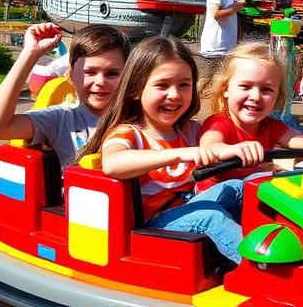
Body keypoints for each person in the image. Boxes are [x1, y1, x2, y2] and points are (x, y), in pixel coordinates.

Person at [76, 37, 259, 267]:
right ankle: (264, 272)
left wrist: (240, 151)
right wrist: (180, 154)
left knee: (246, 185)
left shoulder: (189, 129)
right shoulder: (128, 133)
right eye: (162, 85)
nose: (174, 94)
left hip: (188, 206)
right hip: (152, 224)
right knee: (211, 217)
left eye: (184, 85)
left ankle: (295, 247)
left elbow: (216, 143)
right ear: (136, 89)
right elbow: (113, 164)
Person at [0, 23, 132, 166]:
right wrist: (29, 54)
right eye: (90, 72)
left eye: (112, 73)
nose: (100, 81)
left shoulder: (139, 116)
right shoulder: (61, 119)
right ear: (71, 75)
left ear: (127, 76)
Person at [197, 42, 303, 191]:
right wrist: (233, 149)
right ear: (225, 89)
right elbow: (210, 147)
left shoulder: (271, 126)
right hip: (216, 197)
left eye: (266, 90)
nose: (256, 97)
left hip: (251, 194)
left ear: (277, 96)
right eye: (245, 86)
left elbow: (297, 140)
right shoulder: (217, 123)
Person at [199, 0, 246, 80]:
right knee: (208, 84)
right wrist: (236, 7)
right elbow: (215, 14)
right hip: (215, 49)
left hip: (226, 50)